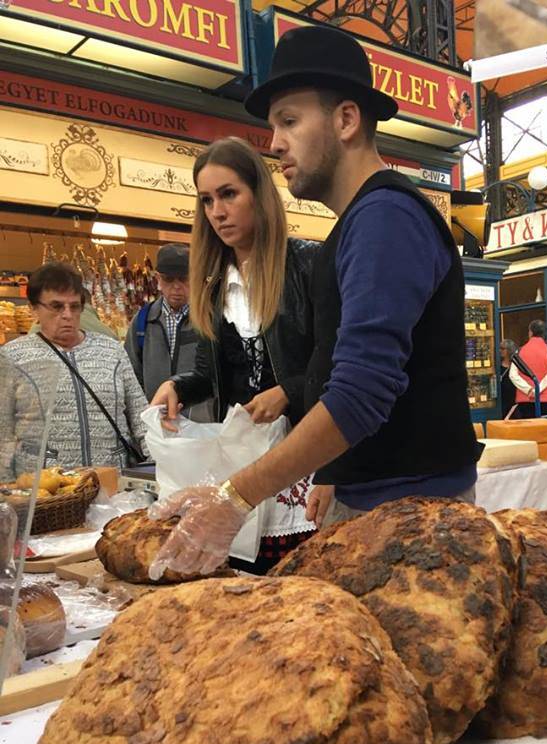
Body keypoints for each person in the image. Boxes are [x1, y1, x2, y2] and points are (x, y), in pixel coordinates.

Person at [147, 24, 479, 581]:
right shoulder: (355, 229)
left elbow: (360, 393)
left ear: (346, 120)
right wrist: (333, 468)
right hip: (377, 498)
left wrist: (235, 497)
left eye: (289, 121)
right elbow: (338, 373)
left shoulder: (385, 220)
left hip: (413, 516)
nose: (274, 143)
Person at [149, 137, 319, 574]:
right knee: (246, 576)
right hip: (243, 458)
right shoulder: (213, 284)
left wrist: (289, 390)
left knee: (300, 583)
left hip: (305, 458)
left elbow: (339, 362)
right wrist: (178, 386)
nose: (218, 211)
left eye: (229, 194)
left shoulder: (307, 266)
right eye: (207, 200)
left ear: (258, 193)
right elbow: (212, 373)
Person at [0, 262, 147, 474]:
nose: (67, 315)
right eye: (57, 306)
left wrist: (157, 468)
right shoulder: (12, 358)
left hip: (110, 485)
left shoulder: (112, 351)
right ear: (34, 309)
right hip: (48, 490)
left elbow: (140, 414)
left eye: (75, 306)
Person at [125, 244, 212, 421]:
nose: (176, 287)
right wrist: (144, 414)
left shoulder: (209, 319)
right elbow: (131, 374)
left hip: (202, 425)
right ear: (158, 279)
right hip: (155, 422)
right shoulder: (143, 321)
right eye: (168, 279)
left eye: (184, 279)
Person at [509, 320, 547, 418]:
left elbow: (513, 375)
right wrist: (538, 389)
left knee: (529, 429)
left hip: (525, 398)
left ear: (530, 332)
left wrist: (528, 390)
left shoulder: (519, 351)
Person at [499, 338, 518, 418]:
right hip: (501, 399)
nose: (500, 350)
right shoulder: (497, 365)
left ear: (509, 350)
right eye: (500, 348)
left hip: (513, 400)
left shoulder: (516, 366)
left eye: (503, 349)